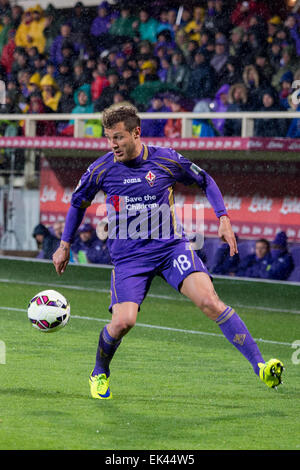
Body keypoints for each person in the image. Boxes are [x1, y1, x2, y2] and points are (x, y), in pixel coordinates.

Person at [53, 103, 284, 399]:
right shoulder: (102, 168)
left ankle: (261, 367)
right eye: (109, 138)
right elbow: (77, 203)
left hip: (171, 248)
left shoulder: (166, 160)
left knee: (211, 302)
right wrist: (64, 245)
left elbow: (205, 180)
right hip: (130, 258)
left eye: (119, 137)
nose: (113, 145)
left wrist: (223, 218)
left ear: (137, 133)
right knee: (124, 322)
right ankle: (99, 371)